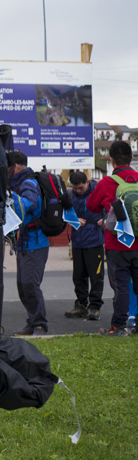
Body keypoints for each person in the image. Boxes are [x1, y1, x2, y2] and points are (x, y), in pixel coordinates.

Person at [86, 140, 138, 336]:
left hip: (117, 244)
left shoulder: (107, 183)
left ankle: (118, 326)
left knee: (121, 287)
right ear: (131, 158)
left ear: (112, 159)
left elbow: (91, 206)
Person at [7, 151, 49, 336]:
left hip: (35, 242)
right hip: (25, 243)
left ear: (15, 167)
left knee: (30, 285)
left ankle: (40, 324)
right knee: (23, 286)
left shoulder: (28, 183)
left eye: (8, 168)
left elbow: (29, 204)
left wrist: (8, 198)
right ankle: (32, 323)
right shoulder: (20, 183)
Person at [64, 171, 104, 321]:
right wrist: (74, 220)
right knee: (78, 276)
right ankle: (81, 305)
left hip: (94, 240)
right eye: (75, 188)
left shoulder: (98, 191)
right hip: (78, 240)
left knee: (96, 276)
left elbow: (111, 206)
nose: (78, 191)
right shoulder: (70, 195)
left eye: (80, 188)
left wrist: (104, 218)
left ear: (87, 182)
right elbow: (64, 213)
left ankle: (94, 307)